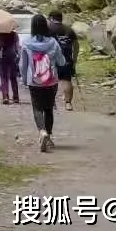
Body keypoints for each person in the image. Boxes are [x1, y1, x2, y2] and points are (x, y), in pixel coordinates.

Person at [19, 14, 68, 152]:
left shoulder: (27, 43)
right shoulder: (53, 42)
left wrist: (24, 79)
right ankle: (49, 136)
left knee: (37, 108)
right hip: (51, 81)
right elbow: (61, 62)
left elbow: (23, 65)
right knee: (48, 109)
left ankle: (42, 132)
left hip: (34, 82)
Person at [47, 10, 79, 111]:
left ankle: (51, 103)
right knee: (67, 80)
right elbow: (76, 45)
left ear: (51, 18)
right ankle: (68, 103)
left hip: (51, 59)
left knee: (51, 81)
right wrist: (74, 58)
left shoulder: (48, 29)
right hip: (67, 59)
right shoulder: (69, 29)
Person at [0, 27, 21, 104]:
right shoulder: (14, 34)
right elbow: (17, 46)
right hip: (12, 56)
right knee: (13, 77)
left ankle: (5, 97)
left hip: (2, 56)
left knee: (4, 77)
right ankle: (16, 97)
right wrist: (18, 55)